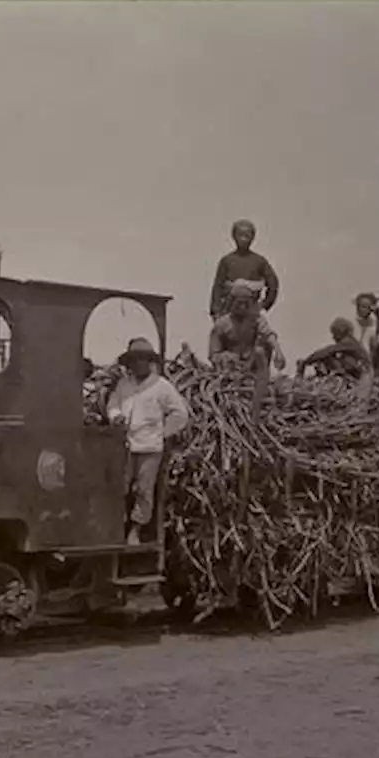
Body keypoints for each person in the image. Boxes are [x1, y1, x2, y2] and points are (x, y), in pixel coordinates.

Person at [105, 338, 190, 546]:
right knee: (121, 486)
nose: (138, 364)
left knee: (144, 489)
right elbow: (113, 402)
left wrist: (162, 432)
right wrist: (115, 415)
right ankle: (118, 526)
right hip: (125, 445)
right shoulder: (125, 384)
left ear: (149, 362)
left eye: (142, 360)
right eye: (134, 360)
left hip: (150, 448)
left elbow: (180, 413)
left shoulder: (162, 387)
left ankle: (136, 530)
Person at [207, 219, 281, 319]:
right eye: (240, 235)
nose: (243, 239)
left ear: (252, 237)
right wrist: (216, 311)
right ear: (234, 236)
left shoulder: (259, 261)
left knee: (264, 332)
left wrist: (264, 305)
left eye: (247, 236)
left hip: (251, 312)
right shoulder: (226, 261)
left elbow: (273, 283)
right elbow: (218, 287)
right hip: (229, 311)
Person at [208, 281, 287, 372]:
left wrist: (278, 351)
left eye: (245, 303)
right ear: (232, 302)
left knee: (262, 347)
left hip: (251, 364)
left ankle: (260, 377)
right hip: (230, 368)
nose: (242, 307)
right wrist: (227, 357)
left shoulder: (255, 319)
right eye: (239, 303)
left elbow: (268, 334)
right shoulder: (221, 324)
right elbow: (213, 354)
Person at [296, 317, 372, 380]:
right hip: (362, 372)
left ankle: (340, 377)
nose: (333, 337)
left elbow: (328, 351)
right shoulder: (352, 343)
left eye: (334, 333)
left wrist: (306, 362)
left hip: (363, 374)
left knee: (329, 357)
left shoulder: (349, 342)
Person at [352, 292, 379, 376]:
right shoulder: (352, 323)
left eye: (365, 307)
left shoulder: (374, 324)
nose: (361, 309)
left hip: (370, 356)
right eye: (360, 306)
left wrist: (378, 317)